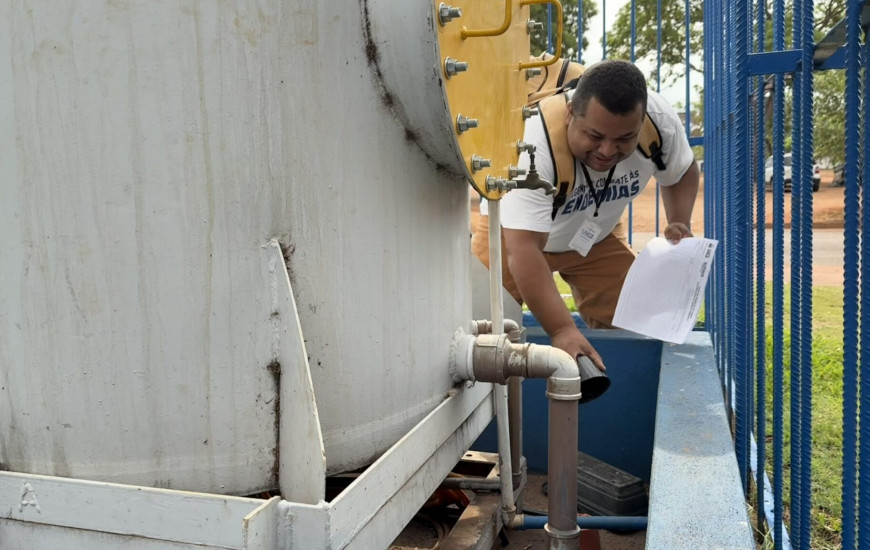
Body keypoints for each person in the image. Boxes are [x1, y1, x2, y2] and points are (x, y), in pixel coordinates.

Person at [471, 59, 699, 371]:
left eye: (623, 139)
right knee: (479, 334)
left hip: (594, 239)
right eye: (594, 135)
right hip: (510, 237)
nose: (607, 150)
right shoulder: (532, 143)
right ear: (569, 115)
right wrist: (563, 330)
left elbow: (681, 171)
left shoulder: (658, 122)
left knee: (638, 326)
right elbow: (523, 249)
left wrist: (679, 220)